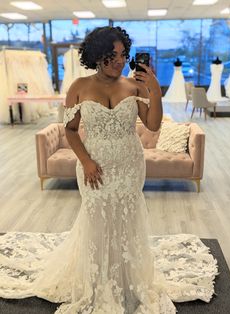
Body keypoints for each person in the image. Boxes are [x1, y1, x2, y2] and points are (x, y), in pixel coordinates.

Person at [0, 26, 217, 314]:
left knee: (127, 217)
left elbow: (153, 125)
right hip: (94, 167)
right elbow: (71, 130)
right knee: (98, 218)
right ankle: (96, 276)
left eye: (123, 54)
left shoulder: (134, 85)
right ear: (96, 54)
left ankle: (128, 277)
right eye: (112, 54)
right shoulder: (78, 87)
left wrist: (154, 90)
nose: (119, 60)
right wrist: (86, 161)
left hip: (129, 165)